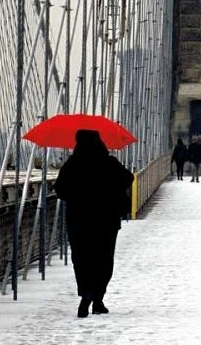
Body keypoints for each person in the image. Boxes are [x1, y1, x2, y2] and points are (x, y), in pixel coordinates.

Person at [54, 129, 134, 319]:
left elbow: (60, 190)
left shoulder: (72, 164)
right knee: (103, 259)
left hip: (78, 220)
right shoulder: (109, 162)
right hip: (106, 220)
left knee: (81, 259)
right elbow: (128, 178)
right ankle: (98, 299)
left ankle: (85, 293)